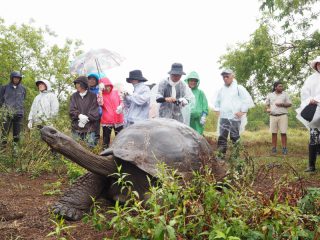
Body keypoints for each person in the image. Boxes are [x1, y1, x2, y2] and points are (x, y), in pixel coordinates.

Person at [214, 69, 254, 159]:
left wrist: (242, 111)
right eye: (223, 76)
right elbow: (217, 101)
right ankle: (220, 157)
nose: (225, 78)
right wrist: (217, 109)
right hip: (224, 117)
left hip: (234, 118)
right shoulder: (221, 89)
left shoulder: (238, 88)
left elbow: (246, 100)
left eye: (227, 76)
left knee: (234, 137)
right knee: (222, 137)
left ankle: (235, 157)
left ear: (232, 76)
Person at [296, 56, 320, 172]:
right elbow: (304, 93)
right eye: (318, 64)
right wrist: (310, 99)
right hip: (315, 111)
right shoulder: (310, 79)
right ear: (316, 66)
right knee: (313, 137)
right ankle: (311, 166)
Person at [69, 76, 100, 148]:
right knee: (75, 150)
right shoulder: (74, 96)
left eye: (78, 84)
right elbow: (71, 110)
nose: (77, 86)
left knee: (90, 150)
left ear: (84, 84)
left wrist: (85, 119)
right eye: (76, 84)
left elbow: (95, 112)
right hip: (76, 128)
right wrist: (79, 116)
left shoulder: (93, 96)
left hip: (90, 128)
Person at [0, 71, 26, 150]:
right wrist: (5, 110)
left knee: (17, 133)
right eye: (15, 78)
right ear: (12, 78)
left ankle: (15, 150)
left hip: (18, 114)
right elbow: (0, 100)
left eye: (18, 78)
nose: (16, 79)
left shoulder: (23, 89)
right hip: (7, 114)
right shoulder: (4, 87)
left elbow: (23, 99)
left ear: (20, 79)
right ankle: (2, 149)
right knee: (5, 132)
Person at [266, 81, 292, 155]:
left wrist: (282, 104)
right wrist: (268, 109)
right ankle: (274, 148)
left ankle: (284, 149)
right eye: (280, 86)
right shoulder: (270, 95)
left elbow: (290, 104)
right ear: (275, 87)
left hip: (283, 115)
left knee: (283, 133)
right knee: (274, 133)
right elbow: (267, 104)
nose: (281, 87)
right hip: (273, 116)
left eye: (282, 86)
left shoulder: (285, 94)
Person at [99, 77, 124, 148]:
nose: (107, 88)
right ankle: (105, 156)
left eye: (108, 86)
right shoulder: (101, 95)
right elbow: (100, 103)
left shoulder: (116, 92)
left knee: (120, 139)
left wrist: (121, 107)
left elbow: (122, 102)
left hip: (118, 120)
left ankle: (120, 155)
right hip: (107, 122)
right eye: (105, 87)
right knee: (106, 140)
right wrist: (100, 91)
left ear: (110, 85)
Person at [87, 73, 104, 145]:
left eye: (93, 79)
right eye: (90, 79)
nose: (91, 81)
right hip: (86, 115)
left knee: (95, 134)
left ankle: (93, 150)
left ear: (97, 81)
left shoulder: (99, 90)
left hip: (96, 115)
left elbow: (101, 103)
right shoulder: (85, 90)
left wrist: (100, 92)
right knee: (86, 133)